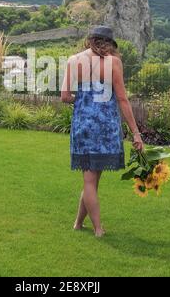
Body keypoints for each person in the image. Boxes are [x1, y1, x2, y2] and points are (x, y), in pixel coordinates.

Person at [61, 26, 144, 237]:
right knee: (91, 180)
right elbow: (123, 99)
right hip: (106, 126)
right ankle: (98, 229)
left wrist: (81, 100)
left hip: (83, 125)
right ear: (109, 43)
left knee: (91, 180)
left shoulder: (73, 60)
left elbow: (64, 96)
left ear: (90, 40)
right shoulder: (113, 63)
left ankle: (78, 224)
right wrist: (135, 132)